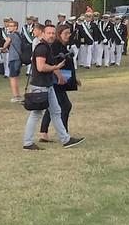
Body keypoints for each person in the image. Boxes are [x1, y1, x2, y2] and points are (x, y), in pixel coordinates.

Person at [23, 22, 85, 151]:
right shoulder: (42, 48)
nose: (51, 35)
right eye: (48, 33)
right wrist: (56, 68)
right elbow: (41, 67)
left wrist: (56, 72)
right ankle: (28, 143)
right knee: (36, 114)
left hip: (48, 84)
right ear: (43, 34)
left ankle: (66, 139)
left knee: (56, 112)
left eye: (52, 33)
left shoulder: (48, 47)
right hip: (40, 85)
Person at [38, 23, 78, 142]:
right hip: (55, 81)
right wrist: (59, 76)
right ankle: (64, 135)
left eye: (69, 33)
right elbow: (53, 63)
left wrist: (74, 79)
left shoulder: (61, 45)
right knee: (65, 106)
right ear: (59, 34)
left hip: (59, 79)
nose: (68, 35)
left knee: (53, 107)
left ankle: (44, 133)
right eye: (66, 33)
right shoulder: (55, 46)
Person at [4, 17, 25, 102]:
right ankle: (18, 95)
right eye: (9, 26)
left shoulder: (11, 35)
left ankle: (16, 96)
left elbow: (6, 44)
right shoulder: (20, 35)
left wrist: (3, 48)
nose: (9, 27)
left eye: (11, 26)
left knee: (12, 77)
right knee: (16, 77)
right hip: (19, 58)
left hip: (13, 58)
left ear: (16, 27)